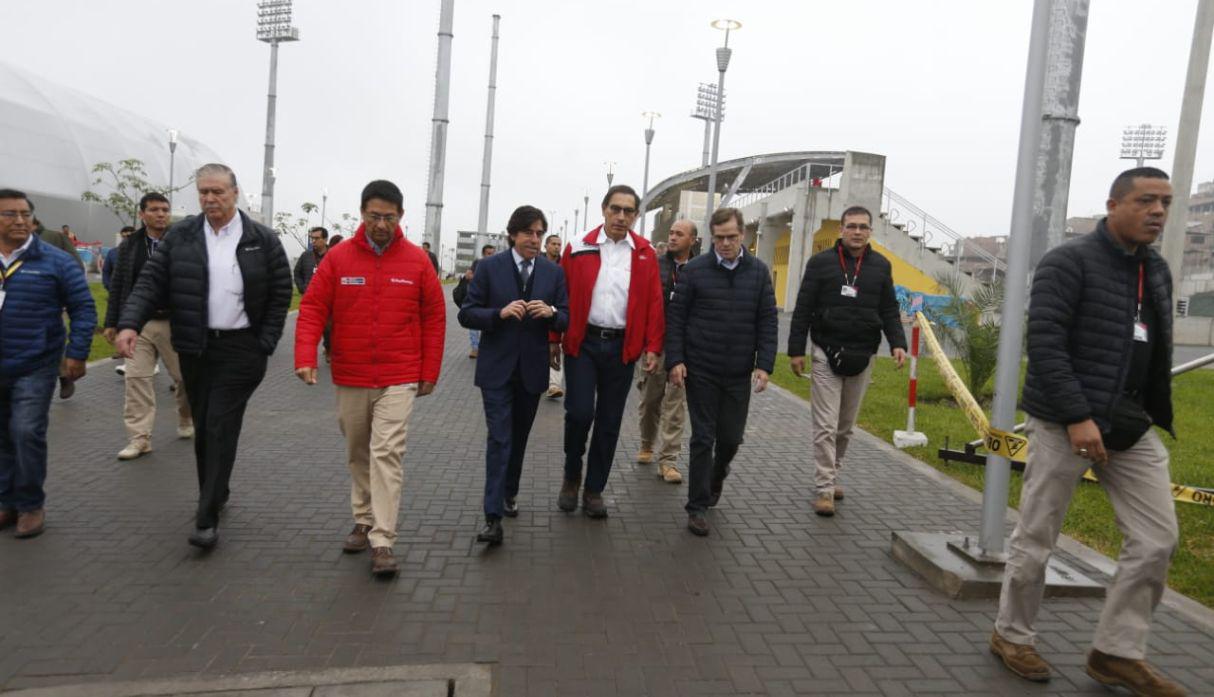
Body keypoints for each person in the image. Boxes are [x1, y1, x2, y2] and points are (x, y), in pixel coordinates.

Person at [991, 168, 1187, 696]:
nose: (1158, 212)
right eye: (1146, 200)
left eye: (1165, 202)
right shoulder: (1068, 262)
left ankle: (1116, 652)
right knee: (1037, 536)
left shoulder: (1158, 271)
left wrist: (1148, 410)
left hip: (1128, 425)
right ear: (1114, 204)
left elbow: (1153, 350)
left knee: (1156, 539)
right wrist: (1077, 415)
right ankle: (1012, 635)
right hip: (1063, 422)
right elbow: (1047, 343)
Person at [116, 163, 292, 550]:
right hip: (195, 347)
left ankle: (206, 515)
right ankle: (217, 489)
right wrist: (130, 323)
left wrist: (266, 340)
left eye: (218, 192)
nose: (210, 199)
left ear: (235, 192)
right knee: (205, 426)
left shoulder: (260, 238)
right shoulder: (182, 236)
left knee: (218, 425)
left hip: (242, 349)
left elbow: (282, 291)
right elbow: (150, 283)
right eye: (203, 193)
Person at [295, 180, 446, 578]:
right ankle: (362, 518)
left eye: (390, 217)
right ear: (362, 213)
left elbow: (434, 318)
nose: (382, 224)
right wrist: (305, 354)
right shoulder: (339, 258)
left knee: (387, 453)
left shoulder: (417, 262)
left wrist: (429, 371)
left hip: (399, 375)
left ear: (401, 217)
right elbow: (312, 307)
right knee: (358, 451)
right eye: (375, 216)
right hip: (351, 373)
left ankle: (382, 538)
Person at [552, 184, 664, 518]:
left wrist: (653, 347)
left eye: (628, 211)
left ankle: (593, 489)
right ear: (603, 210)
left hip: (622, 348)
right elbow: (562, 296)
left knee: (610, 421)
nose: (620, 216)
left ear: (636, 216)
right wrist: (553, 339)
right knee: (579, 413)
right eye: (615, 209)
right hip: (583, 344)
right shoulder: (578, 248)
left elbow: (655, 304)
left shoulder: (644, 253)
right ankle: (572, 475)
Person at [787, 205, 906, 517]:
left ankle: (833, 473)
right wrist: (796, 350)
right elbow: (802, 309)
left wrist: (898, 344)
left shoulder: (881, 266)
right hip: (826, 353)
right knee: (825, 425)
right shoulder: (821, 264)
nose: (857, 232)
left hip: (863, 355)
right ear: (841, 229)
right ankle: (824, 488)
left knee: (845, 427)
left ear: (870, 232)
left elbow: (890, 310)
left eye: (863, 227)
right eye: (851, 226)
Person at [459, 206, 568, 545]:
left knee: (518, 438)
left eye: (539, 233)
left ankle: (510, 492)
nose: (535, 240)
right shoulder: (490, 268)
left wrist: (551, 313)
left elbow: (566, 317)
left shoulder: (553, 273)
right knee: (499, 438)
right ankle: (493, 517)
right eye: (528, 233)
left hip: (532, 371)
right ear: (513, 235)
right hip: (496, 370)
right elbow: (467, 313)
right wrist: (499, 313)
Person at [665, 208, 776, 536]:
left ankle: (717, 473)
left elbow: (767, 321)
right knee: (703, 436)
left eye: (731, 237)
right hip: (701, 368)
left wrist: (765, 365)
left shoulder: (758, 272)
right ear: (711, 238)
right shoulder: (696, 271)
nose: (725, 243)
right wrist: (676, 360)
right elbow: (677, 318)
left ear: (743, 235)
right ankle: (697, 506)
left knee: (730, 438)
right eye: (719, 238)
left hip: (738, 371)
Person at [0, 189, 96, 539]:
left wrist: (78, 352)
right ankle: (5, 501)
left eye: (25, 214)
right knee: (3, 437)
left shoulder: (55, 261)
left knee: (26, 431)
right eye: (10, 214)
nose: (20, 220)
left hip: (35, 364)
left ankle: (29, 505)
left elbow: (84, 309)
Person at [104, 193, 193, 460]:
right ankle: (139, 438)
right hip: (137, 324)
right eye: (154, 209)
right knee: (137, 380)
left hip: (174, 323)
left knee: (185, 378)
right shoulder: (130, 245)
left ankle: (186, 416)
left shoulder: (182, 242)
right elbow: (119, 284)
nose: (161, 214)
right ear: (142, 213)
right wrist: (112, 322)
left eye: (165, 209)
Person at [636, 219, 698, 484]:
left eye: (679, 234)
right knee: (651, 401)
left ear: (692, 240)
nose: (672, 238)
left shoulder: (699, 270)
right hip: (656, 346)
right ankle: (647, 442)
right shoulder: (655, 265)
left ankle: (668, 460)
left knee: (676, 404)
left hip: (685, 349)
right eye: (671, 233)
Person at [33, 219, 85, 399]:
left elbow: (75, 265)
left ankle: (64, 376)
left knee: (51, 341)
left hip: (49, 302)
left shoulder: (55, 237)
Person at [294, 226, 331, 361]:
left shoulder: (333, 255)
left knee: (327, 329)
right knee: (308, 330)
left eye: (316, 238)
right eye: (312, 238)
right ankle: (307, 358)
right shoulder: (306, 256)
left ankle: (328, 347)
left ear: (325, 239)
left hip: (328, 301)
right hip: (310, 300)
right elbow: (297, 273)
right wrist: (302, 287)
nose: (313, 241)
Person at [462, 244, 496, 359]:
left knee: (487, 322)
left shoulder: (497, 265)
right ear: (483, 254)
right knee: (474, 323)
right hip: (477, 299)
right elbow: (469, 276)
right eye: (488, 253)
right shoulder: (478, 263)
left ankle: (486, 347)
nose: (491, 256)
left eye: (492, 253)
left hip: (491, 299)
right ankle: (475, 348)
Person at [543, 233, 565, 399]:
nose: (557, 247)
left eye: (559, 244)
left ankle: (554, 385)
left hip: (557, 312)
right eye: (553, 244)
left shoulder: (565, 265)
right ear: (546, 246)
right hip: (538, 311)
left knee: (557, 346)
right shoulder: (537, 264)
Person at [102, 226, 134, 291]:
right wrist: (108, 286)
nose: (126, 239)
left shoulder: (141, 252)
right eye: (123, 236)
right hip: (116, 292)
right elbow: (106, 271)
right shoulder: (112, 253)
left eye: (129, 236)